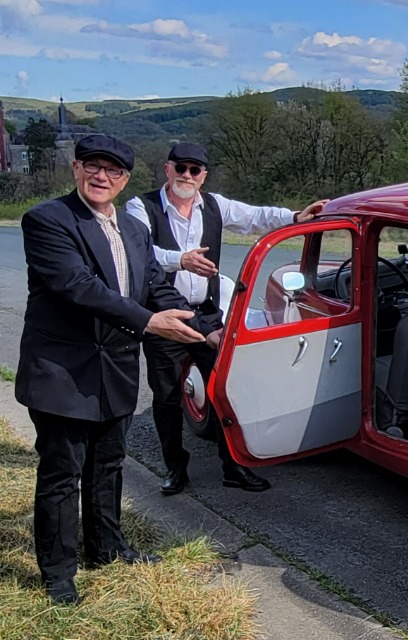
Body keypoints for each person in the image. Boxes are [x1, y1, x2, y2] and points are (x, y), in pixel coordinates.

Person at [16, 134, 214, 605]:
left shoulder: (134, 229)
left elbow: (153, 286)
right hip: (63, 372)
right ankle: (59, 575)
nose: (100, 176)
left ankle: (105, 548)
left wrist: (200, 326)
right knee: (63, 473)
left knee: (108, 466)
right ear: (76, 168)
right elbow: (78, 287)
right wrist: (149, 322)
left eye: (113, 170)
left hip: (116, 370)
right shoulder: (47, 220)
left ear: (125, 179)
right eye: (92, 166)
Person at [125, 142, 328, 495]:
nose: (187, 175)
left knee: (226, 390)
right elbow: (137, 250)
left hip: (206, 313)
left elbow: (256, 217)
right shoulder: (140, 206)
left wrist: (295, 218)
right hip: (164, 315)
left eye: (195, 170)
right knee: (168, 396)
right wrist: (180, 260)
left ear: (203, 175)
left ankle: (233, 465)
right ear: (167, 169)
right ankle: (175, 468)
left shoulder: (214, 205)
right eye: (181, 168)